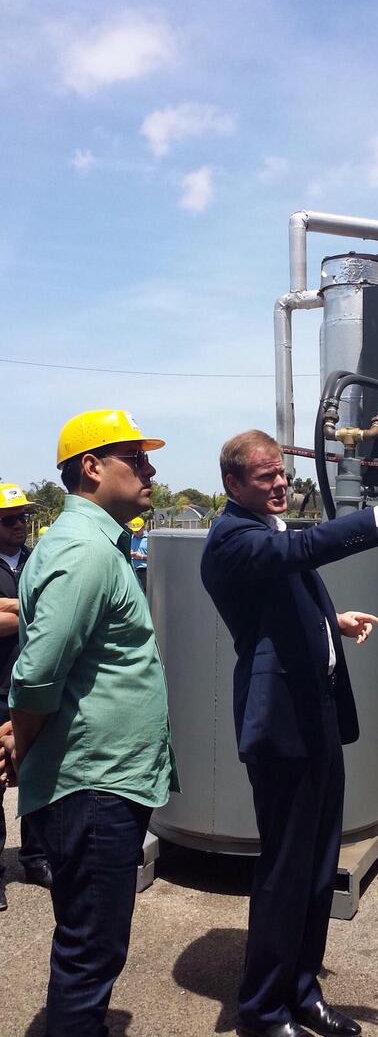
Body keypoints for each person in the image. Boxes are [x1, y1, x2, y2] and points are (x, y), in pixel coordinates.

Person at [201, 429, 378, 1037]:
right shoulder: (232, 538)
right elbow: (303, 551)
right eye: (266, 476)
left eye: (281, 472)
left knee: (319, 864)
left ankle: (302, 990)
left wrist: (332, 620)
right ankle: (263, 1010)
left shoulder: (267, 528)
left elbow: (284, 591)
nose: (280, 483)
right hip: (282, 726)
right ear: (233, 484)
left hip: (316, 715)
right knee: (286, 869)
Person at [1, 409, 179, 1037]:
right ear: (92, 467)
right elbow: (39, 671)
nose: (150, 470)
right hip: (94, 786)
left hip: (100, 779)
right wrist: (23, 738)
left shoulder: (96, 545)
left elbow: (60, 664)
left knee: (92, 942)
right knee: (90, 950)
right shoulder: (83, 551)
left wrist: (19, 729)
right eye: (137, 457)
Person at [0, 482, 51, 911]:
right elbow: (45, 613)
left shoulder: (38, 560)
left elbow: (55, 612)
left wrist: (10, 606)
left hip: (31, 688)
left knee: (35, 775)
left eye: (23, 517)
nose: (20, 525)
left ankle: (36, 858)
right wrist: (30, 608)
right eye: (9, 520)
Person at [129, 516, 148, 591]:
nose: (136, 532)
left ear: (143, 528)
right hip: (132, 570)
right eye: (134, 530)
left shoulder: (150, 539)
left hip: (144, 571)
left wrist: (141, 557)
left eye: (138, 530)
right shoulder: (130, 539)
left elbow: (155, 558)